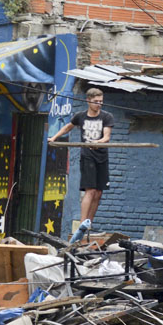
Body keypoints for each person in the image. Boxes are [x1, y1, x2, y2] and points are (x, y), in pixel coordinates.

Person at [49, 88, 113, 242]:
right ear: (88, 100)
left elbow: (106, 137)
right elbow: (67, 127)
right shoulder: (81, 116)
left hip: (102, 157)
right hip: (88, 156)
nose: (99, 104)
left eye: (101, 101)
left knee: (98, 193)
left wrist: (97, 142)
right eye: (96, 102)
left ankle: (88, 225)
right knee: (90, 191)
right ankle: (82, 226)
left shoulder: (106, 116)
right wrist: (54, 137)